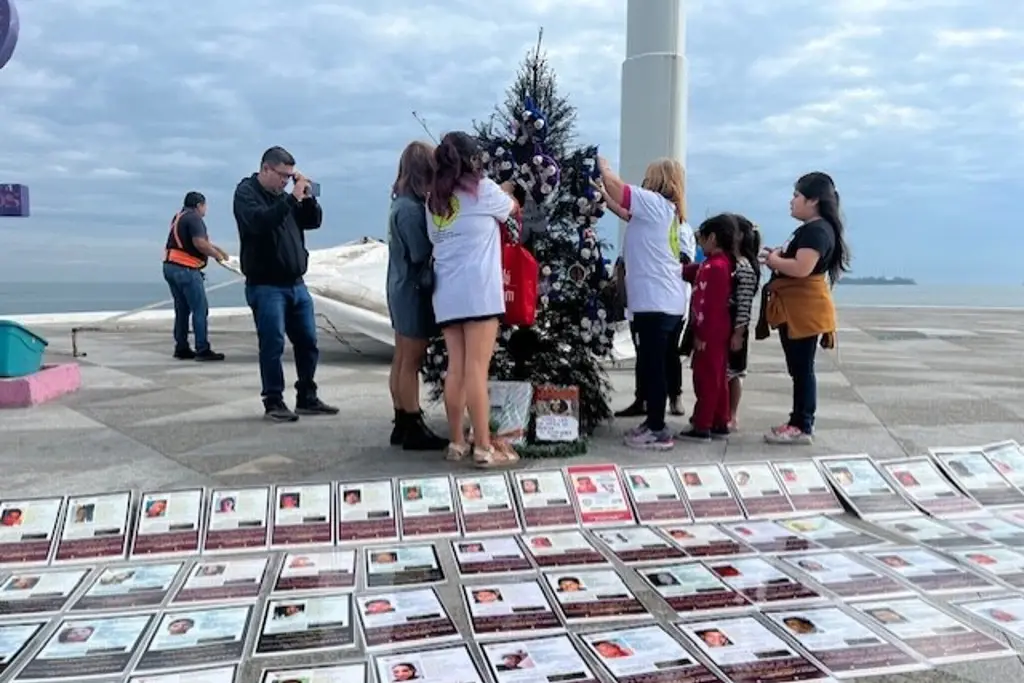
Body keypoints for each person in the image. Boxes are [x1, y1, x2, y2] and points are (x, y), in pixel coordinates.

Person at [425, 131, 520, 468]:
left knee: (457, 368)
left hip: (446, 292)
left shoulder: (433, 199)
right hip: (479, 292)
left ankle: (456, 441)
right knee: (478, 370)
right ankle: (483, 446)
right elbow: (513, 209)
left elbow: (433, 238)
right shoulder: (484, 190)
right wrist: (505, 191)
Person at [233, 146, 339, 422]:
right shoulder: (246, 194)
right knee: (273, 342)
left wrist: (307, 199)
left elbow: (313, 222)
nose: (284, 181)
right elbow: (260, 223)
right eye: (282, 175)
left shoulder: (286, 199)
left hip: (296, 283)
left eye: (289, 176)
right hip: (265, 284)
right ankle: (274, 400)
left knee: (308, 341)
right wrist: (291, 199)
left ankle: (307, 396)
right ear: (265, 169)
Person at [596, 157, 688, 450]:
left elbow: (619, 189)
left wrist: (603, 165)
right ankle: (652, 421)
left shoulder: (654, 203)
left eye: (648, 176)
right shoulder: (664, 212)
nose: (644, 180)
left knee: (654, 367)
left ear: (657, 179)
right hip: (662, 302)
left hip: (655, 303)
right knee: (653, 365)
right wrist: (600, 192)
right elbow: (623, 209)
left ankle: (658, 429)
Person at [757, 172, 849, 445]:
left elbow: (801, 268)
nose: (792, 201)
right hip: (801, 307)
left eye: (797, 195)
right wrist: (779, 256)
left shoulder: (816, 231)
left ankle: (801, 424)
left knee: (802, 369)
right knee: (799, 368)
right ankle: (798, 420)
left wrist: (774, 260)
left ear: (814, 200)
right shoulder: (814, 229)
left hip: (803, 309)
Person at [386, 141, 448, 451]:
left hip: (399, 287)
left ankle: (401, 420)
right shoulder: (411, 210)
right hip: (412, 291)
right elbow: (421, 252)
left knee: (400, 358)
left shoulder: (399, 203)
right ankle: (412, 423)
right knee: (411, 360)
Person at [614, 218, 695, 419]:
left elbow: (683, 260)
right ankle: (641, 398)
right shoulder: (636, 227)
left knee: (669, 353)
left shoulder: (679, 227)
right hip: (639, 300)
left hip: (667, 301)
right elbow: (623, 261)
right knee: (642, 354)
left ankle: (674, 396)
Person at [678, 214, 735, 442]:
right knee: (718, 377)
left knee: (706, 378)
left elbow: (709, 304)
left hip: (709, 332)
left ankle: (702, 424)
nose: (698, 242)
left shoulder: (714, 268)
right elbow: (690, 271)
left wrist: (701, 334)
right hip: (718, 330)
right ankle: (720, 420)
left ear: (712, 237)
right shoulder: (718, 264)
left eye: (700, 237)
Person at [162, 191, 228, 361]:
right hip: (187, 269)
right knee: (200, 309)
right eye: (205, 206)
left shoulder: (179, 217)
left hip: (170, 267)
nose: (206, 210)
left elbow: (194, 242)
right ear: (199, 205)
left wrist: (217, 249)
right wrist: (217, 256)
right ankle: (202, 349)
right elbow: (199, 243)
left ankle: (181, 347)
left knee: (182, 309)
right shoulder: (195, 218)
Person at [728, 215, 761, 430]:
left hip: (735, 327)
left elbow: (744, 305)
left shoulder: (744, 267)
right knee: (726, 371)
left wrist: (738, 333)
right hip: (725, 325)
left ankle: (732, 415)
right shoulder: (730, 262)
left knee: (734, 372)